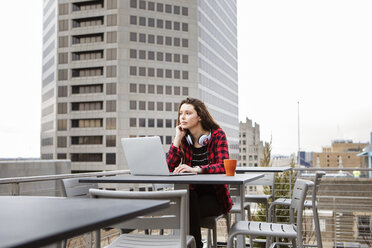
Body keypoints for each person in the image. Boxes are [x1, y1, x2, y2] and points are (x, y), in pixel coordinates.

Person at [167, 97, 233, 248]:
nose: (182, 117)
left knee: (184, 210)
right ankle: (195, 245)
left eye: (188, 113)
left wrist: (197, 169)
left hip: (215, 197)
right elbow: (169, 167)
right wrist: (177, 138)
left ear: (200, 116)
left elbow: (223, 166)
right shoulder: (184, 139)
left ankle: (193, 245)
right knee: (187, 200)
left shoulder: (217, 135)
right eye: (181, 113)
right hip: (192, 196)